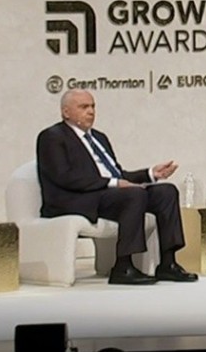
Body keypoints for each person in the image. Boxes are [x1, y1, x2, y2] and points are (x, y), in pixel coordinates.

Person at [36, 89, 197, 285]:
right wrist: (113, 183)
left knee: (166, 191)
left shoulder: (99, 138)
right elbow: (64, 177)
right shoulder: (52, 137)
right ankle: (123, 267)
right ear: (66, 112)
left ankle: (168, 263)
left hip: (108, 196)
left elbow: (118, 175)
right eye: (84, 107)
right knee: (133, 195)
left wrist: (150, 174)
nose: (91, 111)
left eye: (93, 106)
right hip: (74, 199)